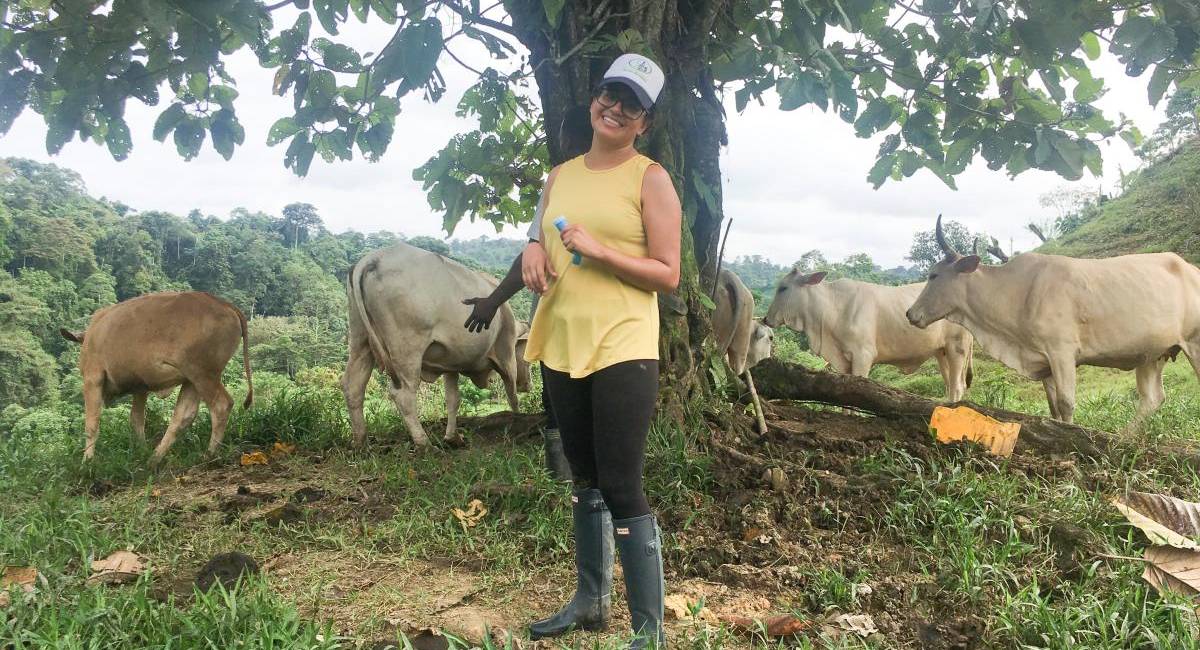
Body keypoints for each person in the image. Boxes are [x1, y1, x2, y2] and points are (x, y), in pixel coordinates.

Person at [522, 53, 682, 649]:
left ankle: (649, 633)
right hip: (563, 337)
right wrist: (534, 249)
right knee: (584, 476)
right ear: (595, 99)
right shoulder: (561, 173)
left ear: (644, 121)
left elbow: (668, 274)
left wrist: (601, 251)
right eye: (609, 95)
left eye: (630, 104)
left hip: (623, 344)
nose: (614, 108)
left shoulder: (650, 178)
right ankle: (591, 602)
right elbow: (540, 231)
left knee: (622, 483)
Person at [462, 105, 594, 481]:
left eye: (569, 139)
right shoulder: (559, 184)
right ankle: (566, 475)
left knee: (577, 397)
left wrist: (492, 301)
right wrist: (492, 302)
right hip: (558, 316)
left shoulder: (629, 183)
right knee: (558, 396)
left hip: (598, 319)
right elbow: (533, 252)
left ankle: (578, 476)